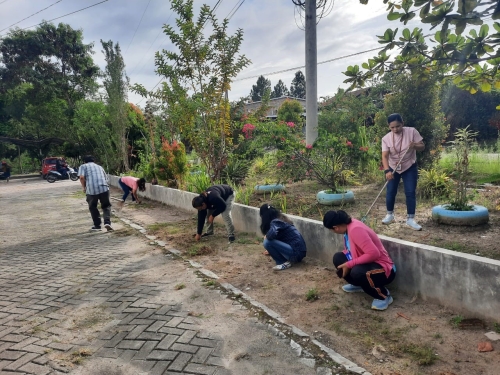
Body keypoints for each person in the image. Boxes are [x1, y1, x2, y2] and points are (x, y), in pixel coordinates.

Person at [323, 210, 396, 311]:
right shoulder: (348, 228)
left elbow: (374, 253)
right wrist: (347, 264)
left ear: (336, 227)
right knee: (338, 258)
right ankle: (360, 285)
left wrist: (350, 264)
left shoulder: (355, 229)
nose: (333, 232)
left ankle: (384, 296)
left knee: (357, 272)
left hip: (383, 268)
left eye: (332, 230)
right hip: (368, 264)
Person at [381, 113, 425, 231]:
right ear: (389, 127)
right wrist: (387, 171)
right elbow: (385, 156)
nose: (395, 129)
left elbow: (422, 147)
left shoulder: (412, 131)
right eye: (392, 127)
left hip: (409, 166)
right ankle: (389, 215)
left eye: (398, 126)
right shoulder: (386, 139)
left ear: (403, 124)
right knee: (391, 191)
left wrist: (415, 145)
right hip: (392, 167)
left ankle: (411, 218)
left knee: (410, 192)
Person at [260, 204, 307, 271]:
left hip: (296, 253)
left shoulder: (276, 222)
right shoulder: (281, 219)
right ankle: (285, 261)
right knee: (268, 241)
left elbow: (270, 236)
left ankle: (282, 262)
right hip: (299, 252)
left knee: (267, 242)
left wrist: (266, 237)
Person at [78, 155, 113, 232]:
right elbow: (106, 178)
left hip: (91, 190)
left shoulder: (83, 166)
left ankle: (97, 225)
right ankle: (107, 223)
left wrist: (84, 187)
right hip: (104, 188)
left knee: (93, 207)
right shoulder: (100, 167)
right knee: (106, 206)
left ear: (84, 161)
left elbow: (81, 177)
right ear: (94, 161)